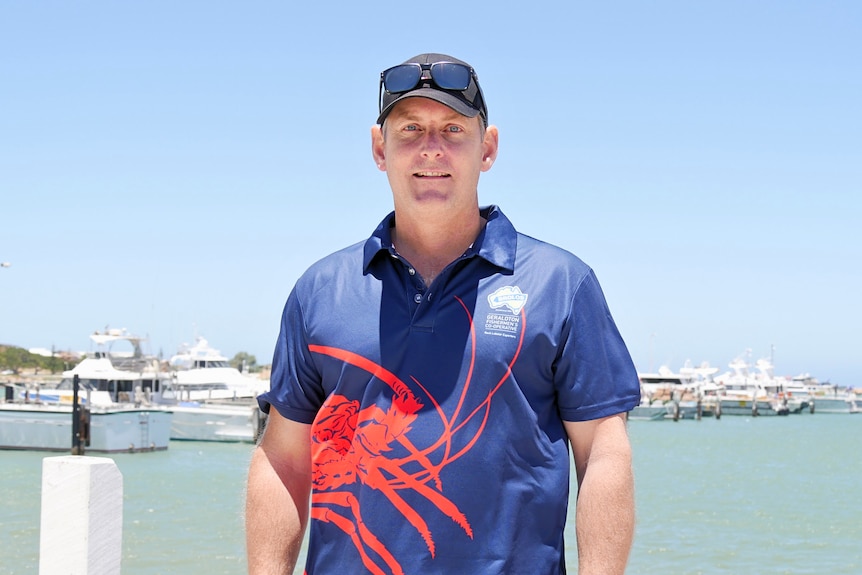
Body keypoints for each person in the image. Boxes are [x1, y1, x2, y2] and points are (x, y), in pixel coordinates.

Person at [246, 53, 641, 575]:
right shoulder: (319, 290)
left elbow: (604, 456)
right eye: (410, 129)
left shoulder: (561, 283)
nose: (431, 148)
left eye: (453, 129)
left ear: (488, 148)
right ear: (378, 148)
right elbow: (283, 459)